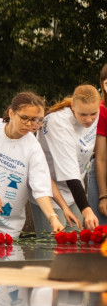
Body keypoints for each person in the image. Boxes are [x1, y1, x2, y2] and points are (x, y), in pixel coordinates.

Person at [0, 92, 64, 240]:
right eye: (24, 118)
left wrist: (53, 218)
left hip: (9, 224)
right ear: (11, 113)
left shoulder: (33, 148)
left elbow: (41, 188)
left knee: (5, 263)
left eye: (35, 120)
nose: (29, 124)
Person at [32, 84, 100, 232]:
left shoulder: (96, 114)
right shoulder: (59, 123)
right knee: (52, 247)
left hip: (73, 192)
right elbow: (70, 175)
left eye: (93, 114)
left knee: (76, 245)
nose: (89, 119)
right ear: (73, 107)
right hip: (48, 190)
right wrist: (87, 209)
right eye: (83, 115)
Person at [92, 64, 107, 224]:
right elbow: (101, 158)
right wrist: (103, 196)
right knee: (100, 237)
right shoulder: (101, 111)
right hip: (102, 175)